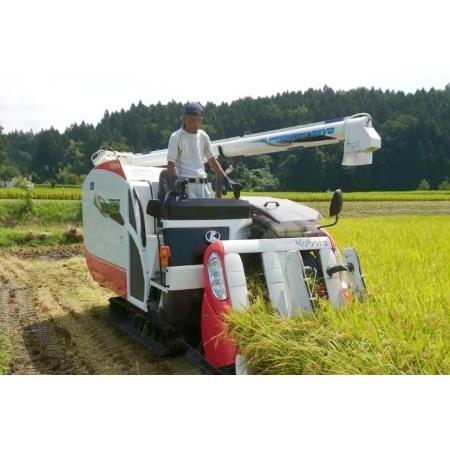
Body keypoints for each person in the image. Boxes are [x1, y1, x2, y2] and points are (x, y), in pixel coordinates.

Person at [164, 102, 239, 199]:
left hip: (204, 185)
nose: (196, 123)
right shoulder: (176, 137)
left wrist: (225, 178)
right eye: (192, 120)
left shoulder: (203, 136)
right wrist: (175, 183)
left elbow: (212, 160)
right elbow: (171, 164)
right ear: (185, 119)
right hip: (186, 186)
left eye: (199, 120)